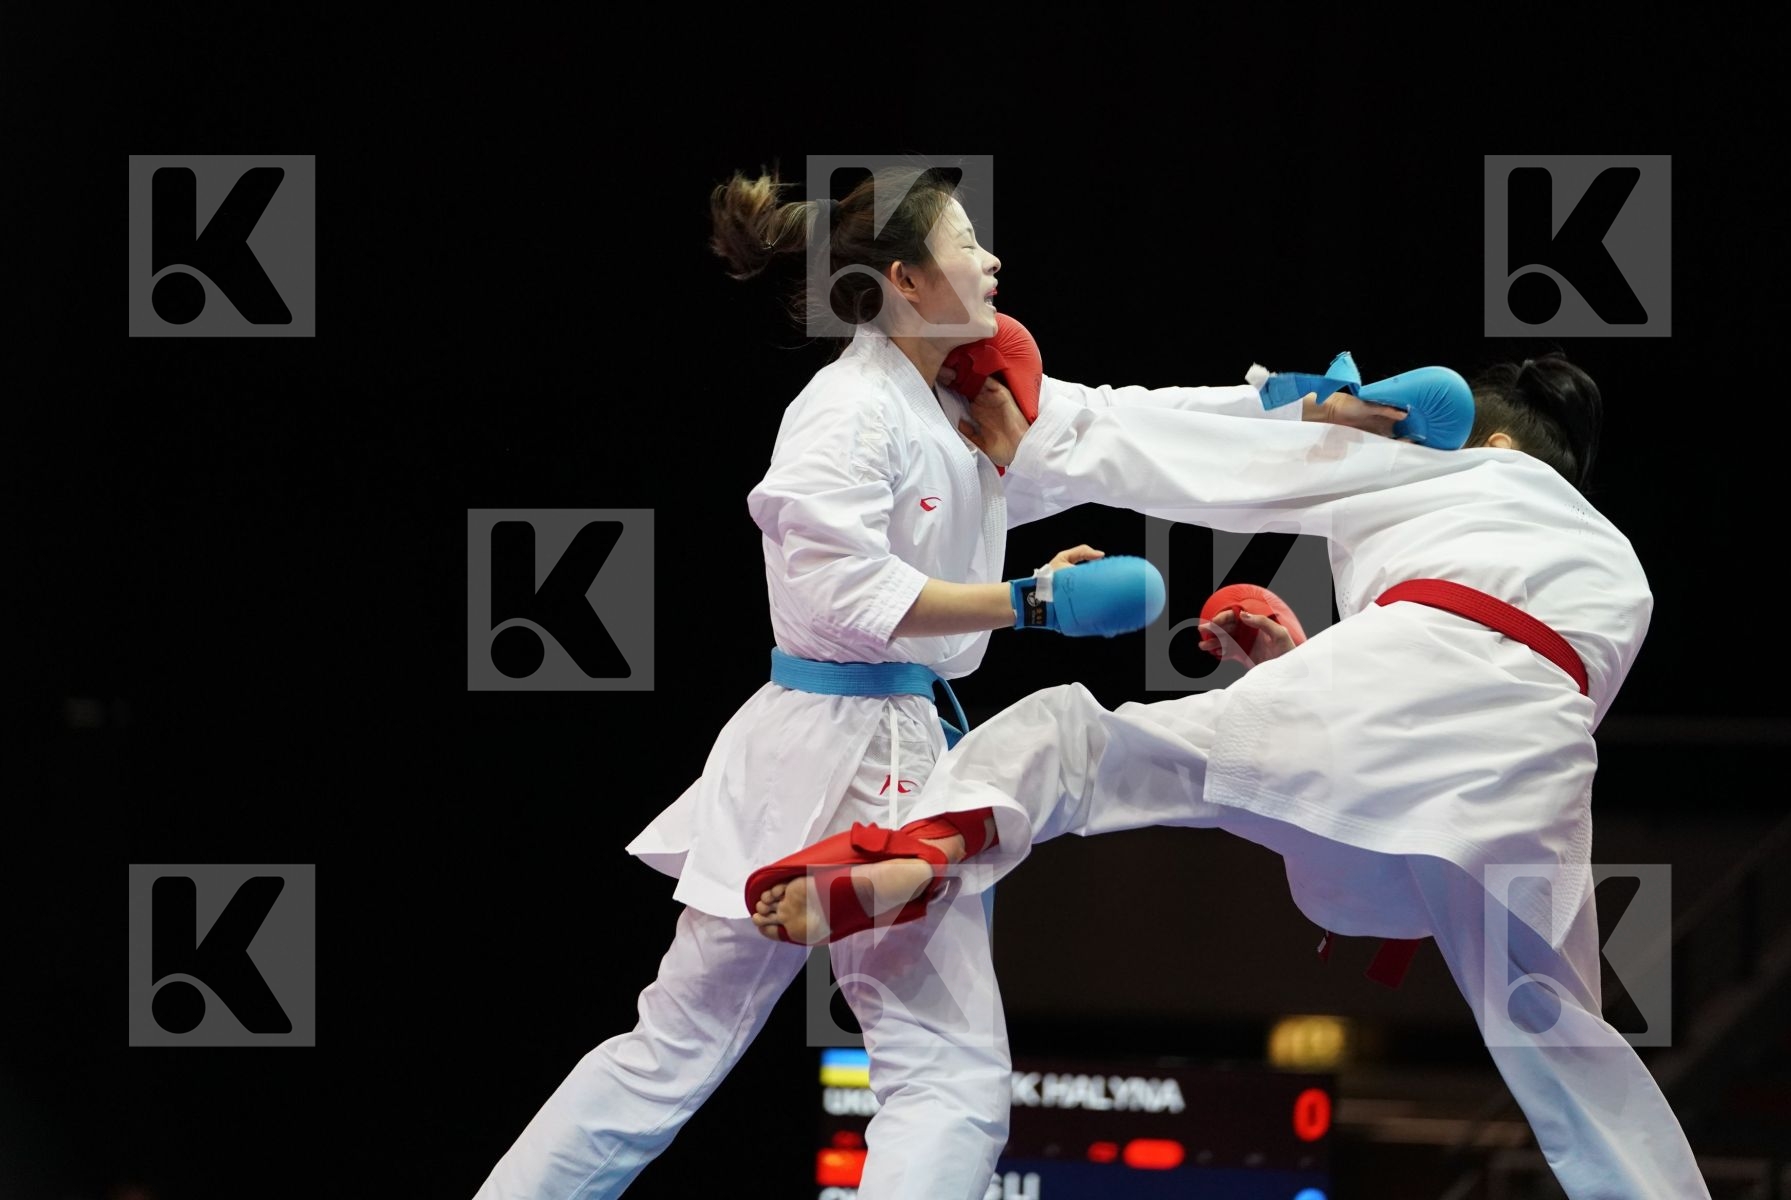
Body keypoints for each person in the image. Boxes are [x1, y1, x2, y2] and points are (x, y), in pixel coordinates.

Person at [753, 350, 1713, 1198]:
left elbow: (1217, 461)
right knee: (1565, 1041)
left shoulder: (1445, 464)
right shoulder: (1624, 570)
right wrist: (1295, 663)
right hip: (1521, 787)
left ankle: (923, 846)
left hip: (1381, 707)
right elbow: (1470, 694)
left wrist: (1039, 438)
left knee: (1077, 743)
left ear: (1492, 442)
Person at [472, 164, 1232, 1200]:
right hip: (855, 742)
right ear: (910, 280)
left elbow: (1110, 432)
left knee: (670, 1053)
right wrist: (1029, 605)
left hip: (826, 741)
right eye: (971, 243)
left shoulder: (950, 404)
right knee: (946, 1079)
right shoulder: (845, 408)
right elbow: (841, 591)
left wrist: (1281, 412)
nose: (994, 259)